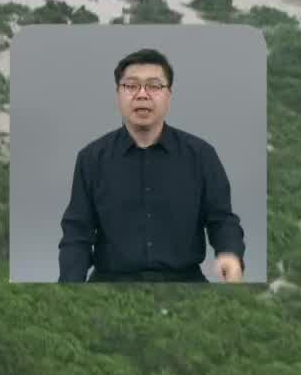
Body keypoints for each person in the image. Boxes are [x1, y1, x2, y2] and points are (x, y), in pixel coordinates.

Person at [57, 47, 245, 283]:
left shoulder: (201, 155)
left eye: (154, 86)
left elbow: (223, 220)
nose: (142, 94)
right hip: (111, 284)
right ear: (118, 93)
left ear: (169, 95)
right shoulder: (92, 158)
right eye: (131, 86)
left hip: (184, 284)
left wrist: (230, 254)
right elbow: (77, 234)